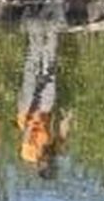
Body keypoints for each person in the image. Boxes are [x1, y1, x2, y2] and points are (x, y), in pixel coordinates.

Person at [17, 23, 67, 177]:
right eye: (51, 164)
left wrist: (32, 114)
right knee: (49, 75)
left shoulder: (28, 155)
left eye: (46, 165)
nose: (47, 161)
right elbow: (62, 133)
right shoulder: (55, 150)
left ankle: (35, 35)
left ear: (39, 167)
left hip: (27, 113)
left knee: (31, 73)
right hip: (45, 111)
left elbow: (26, 134)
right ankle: (52, 34)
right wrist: (66, 119)